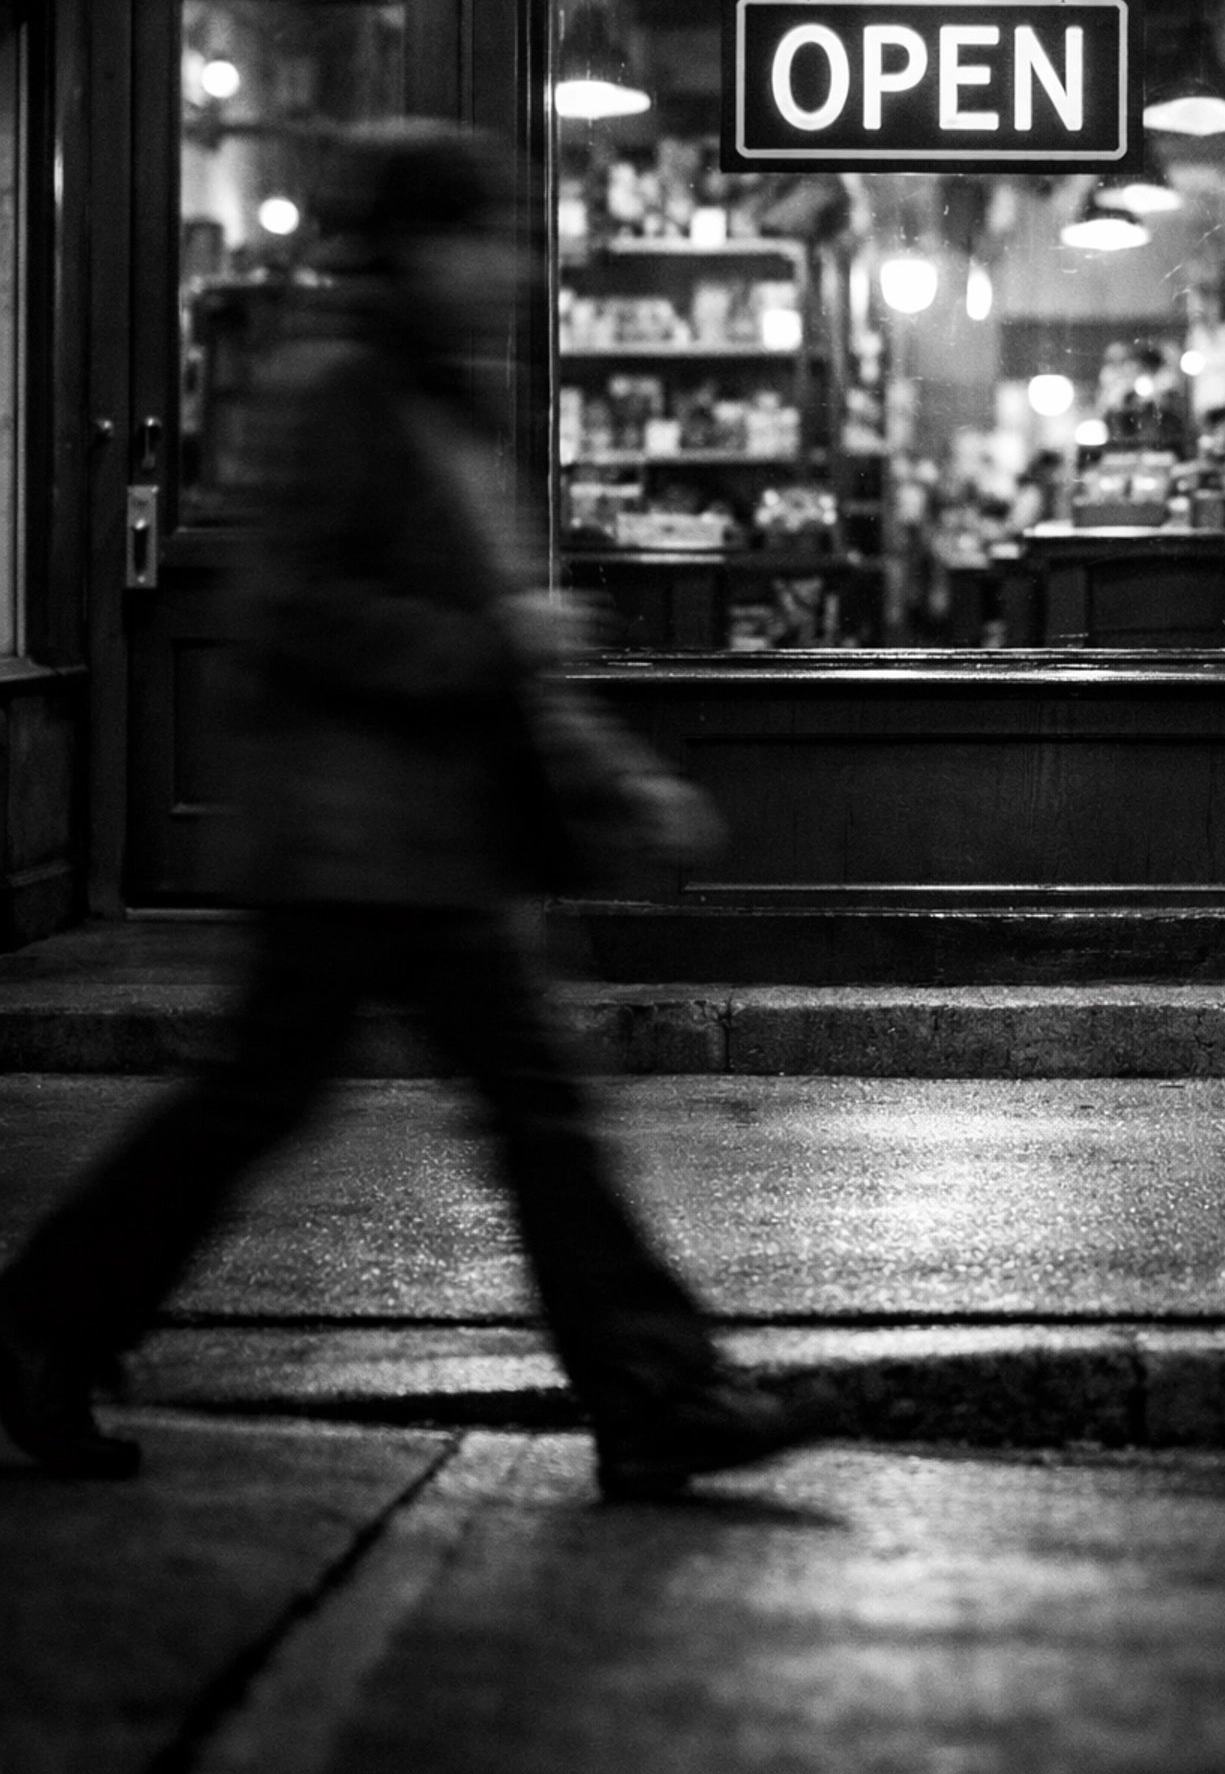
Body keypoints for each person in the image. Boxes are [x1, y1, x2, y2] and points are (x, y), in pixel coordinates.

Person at [0, 122, 827, 1499]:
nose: (507, 266)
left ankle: (649, 1388)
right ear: (416, 248)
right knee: (434, 1109)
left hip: (423, 842)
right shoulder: (342, 392)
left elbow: (494, 631)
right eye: (481, 237)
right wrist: (485, 649)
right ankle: (650, 1389)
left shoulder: (428, 394)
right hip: (356, 844)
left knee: (437, 1107)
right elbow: (294, 610)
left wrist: (598, 762)